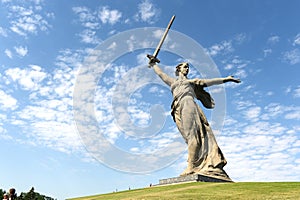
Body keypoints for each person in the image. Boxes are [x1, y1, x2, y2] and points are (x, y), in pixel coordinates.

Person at [149, 60, 240, 180]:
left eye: (188, 68)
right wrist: (153, 64)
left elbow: (209, 82)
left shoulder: (191, 82)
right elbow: (161, 74)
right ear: (178, 69)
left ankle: (191, 167)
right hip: (176, 108)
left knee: (193, 137)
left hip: (188, 104)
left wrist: (226, 79)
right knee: (188, 138)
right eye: (185, 67)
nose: (187, 69)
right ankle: (197, 163)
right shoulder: (173, 82)